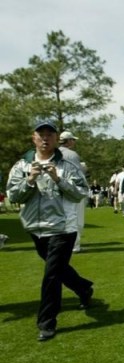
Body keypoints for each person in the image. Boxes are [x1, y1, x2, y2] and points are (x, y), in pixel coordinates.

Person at [6, 120, 94, 341]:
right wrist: (30, 180)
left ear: (57, 139)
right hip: (35, 228)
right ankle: (83, 288)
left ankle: (46, 322)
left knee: (51, 274)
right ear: (33, 138)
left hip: (63, 228)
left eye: (50, 134)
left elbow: (80, 193)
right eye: (41, 134)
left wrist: (58, 179)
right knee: (59, 269)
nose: (45, 138)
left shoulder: (67, 166)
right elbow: (13, 196)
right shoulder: (21, 166)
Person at [59, 130, 85, 252]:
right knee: (76, 218)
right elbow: (77, 174)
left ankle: (64, 243)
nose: (74, 142)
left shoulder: (54, 153)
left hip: (59, 189)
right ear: (68, 141)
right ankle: (75, 245)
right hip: (73, 189)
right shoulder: (72, 154)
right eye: (73, 140)